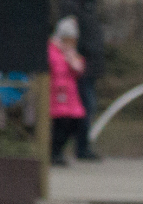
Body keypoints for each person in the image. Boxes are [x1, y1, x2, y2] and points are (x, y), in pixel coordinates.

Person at [60, 0, 103, 160]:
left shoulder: (88, 7)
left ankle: (81, 146)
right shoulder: (72, 7)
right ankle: (74, 147)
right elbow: (69, 39)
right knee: (81, 109)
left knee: (87, 108)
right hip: (80, 67)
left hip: (89, 67)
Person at [48, 16, 86, 166]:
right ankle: (54, 152)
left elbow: (78, 71)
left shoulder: (71, 54)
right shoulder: (52, 51)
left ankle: (58, 150)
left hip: (70, 96)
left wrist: (73, 61)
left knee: (76, 123)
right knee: (59, 126)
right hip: (55, 96)